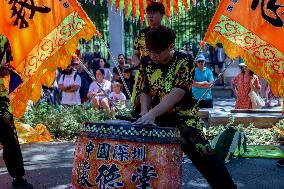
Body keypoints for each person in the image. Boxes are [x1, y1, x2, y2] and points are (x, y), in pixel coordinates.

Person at [135, 26, 237, 189]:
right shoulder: (147, 61)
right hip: (154, 115)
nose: (153, 56)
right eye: (150, 51)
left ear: (170, 46)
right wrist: (145, 112)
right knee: (140, 153)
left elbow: (178, 93)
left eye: (158, 52)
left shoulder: (184, 60)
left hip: (182, 115)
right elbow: (145, 90)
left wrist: (152, 114)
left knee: (203, 152)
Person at [0, 35, 33, 188]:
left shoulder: (3, 40)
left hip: (1, 100)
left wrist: (5, 71)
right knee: (9, 139)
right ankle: (18, 178)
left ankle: (18, 178)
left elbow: (4, 68)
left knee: (10, 139)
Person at [131, 1, 165, 117]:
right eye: (148, 13)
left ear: (161, 15)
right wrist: (139, 64)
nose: (150, 16)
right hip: (143, 75)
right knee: (138, 108)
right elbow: (135, 54)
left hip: (161, 74)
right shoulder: (141, 33)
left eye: (154, 13)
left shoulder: (167, 34)